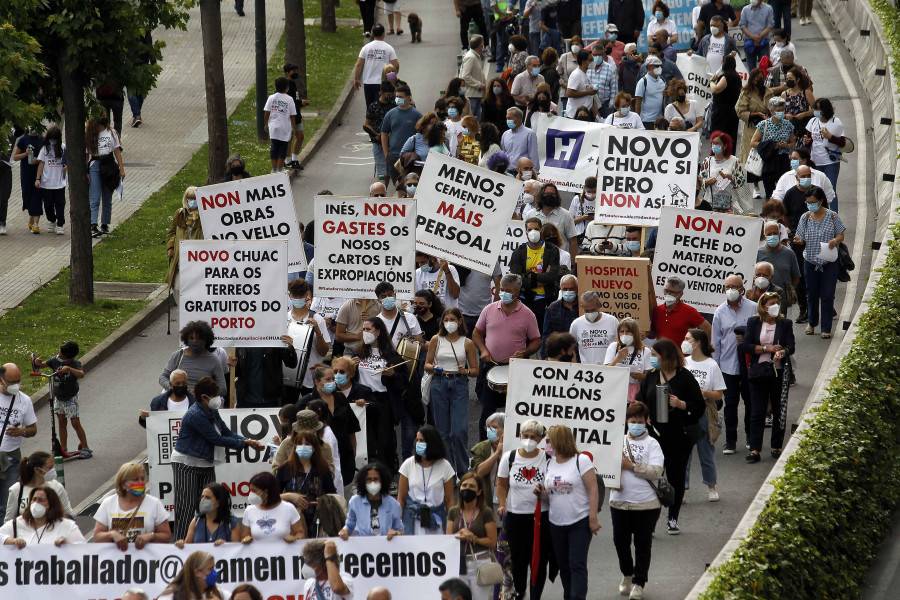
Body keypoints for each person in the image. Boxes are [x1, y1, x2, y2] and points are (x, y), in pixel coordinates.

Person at [170, 376, 264, 540]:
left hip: (206, 463)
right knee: (186, 508)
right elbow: (216, 439)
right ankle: (182, 546)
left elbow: (226, 432)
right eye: (213, 395)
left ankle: (206, 541)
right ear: (204, 397)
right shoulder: (195, 415)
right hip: (186, 463)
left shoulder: (211, 410)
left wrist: (246, 440)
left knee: (209, 506)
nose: (217, 399)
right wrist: (245, 443)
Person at [635, 339, 704, 535]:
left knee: (675, 477)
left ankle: (673, 517)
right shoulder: (652, 376)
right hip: (655, 436)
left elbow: (698, 405)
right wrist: (644, 413)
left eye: (656, 355)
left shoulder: (685, 377)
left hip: (678, 437)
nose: (653, 359)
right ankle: (651, 519)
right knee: (653, 476)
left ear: (666, 356)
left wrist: (682, 405)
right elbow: (641, 398)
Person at [536, 425, 600, 600]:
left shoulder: (581, 461)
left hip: (579, 520)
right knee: (563, 566)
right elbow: (551, 496)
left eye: (549, 441)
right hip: (556, 523)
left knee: (576, 564)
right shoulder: (549, 463)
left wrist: (593, 517)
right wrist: (541, 493)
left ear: (560, 441)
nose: (547, 445)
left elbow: (593, 489)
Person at [474, 274, 541, 437]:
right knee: (487, 411)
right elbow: (476, 333)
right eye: (501, 290)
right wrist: (483, 350)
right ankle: (484, 446)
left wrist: (525, 352)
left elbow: (536, 341)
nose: (503, 293)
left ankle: (513, 444)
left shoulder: (528, 315)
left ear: (517, 292)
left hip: (516, 370)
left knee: (516, 411)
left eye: (508, 291)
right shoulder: (489, 309)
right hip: (491, 367)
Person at [610, 401, 665, 600]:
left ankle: (639, 582)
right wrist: (611, 482)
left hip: (646, 504)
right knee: (620, 542)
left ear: (646, 422)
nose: (635, 425)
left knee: (643, 544)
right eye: (632, 421)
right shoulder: (617, 441)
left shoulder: (653, 444)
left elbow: (657, 472)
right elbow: (605, 469)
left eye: (639, 421)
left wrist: (631, 466)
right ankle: (627, 574)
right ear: (626, 421)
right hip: (619, 503)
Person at [496, 418, 550, 600]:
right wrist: (502, 504)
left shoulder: (547, 459)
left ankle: (535, 596)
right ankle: (520, 592)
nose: (528, 440)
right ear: (520, 436)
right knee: (518, 560)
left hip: (540, 518)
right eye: (525, 436)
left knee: (539, 561)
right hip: (515, 516)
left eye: (533, 437)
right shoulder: (509, 458)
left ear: (541, 439)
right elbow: (502, 485)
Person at [425, 308, 479, 476]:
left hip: (459, 384)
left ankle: (463, 471)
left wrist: (467, 372)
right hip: (439, 383)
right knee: (442, 431)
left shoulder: (467, 342)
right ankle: (448, 472)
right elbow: (426, 364)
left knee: (458, 431)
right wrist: (434, 367)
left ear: (460, 321)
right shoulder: (436, 339)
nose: (449, 323)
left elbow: (476, 370)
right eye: (446, 319)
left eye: (452, 319)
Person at [742, 292, 795, 462]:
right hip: (759, 371)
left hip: (778, 373)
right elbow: (747, 346)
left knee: (778, 410)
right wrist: (767, 349)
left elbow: (791, 346)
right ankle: (755, 449)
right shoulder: (754, 322)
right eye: (772, 303)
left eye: (777, 303)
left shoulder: (785, 323)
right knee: (757, 411)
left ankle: (776, 446)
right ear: (763, 306)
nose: (775, 306)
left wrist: (782, 351)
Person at [354, 317, 411, 468]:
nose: (364, 332)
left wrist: (393, 374)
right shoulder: (359, 353)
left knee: (385, 440)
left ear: (378, 332)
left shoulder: (391, 355)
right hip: (363, 400)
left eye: (368, 329)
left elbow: (404, 383)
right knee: (366, 440)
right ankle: (366, 476)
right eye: (363, 329)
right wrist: (350, 368)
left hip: (384, 401)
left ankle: (386, 475)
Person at [793, 186, 845, 338]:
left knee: (828, 295)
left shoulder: (832, 216)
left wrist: (835, 240)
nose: (811, 205)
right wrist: (799, 240)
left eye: (813, 202)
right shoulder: (806, 217)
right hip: (810, 261)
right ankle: (812, 322)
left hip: (829, 262)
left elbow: (841, 234)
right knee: (812, 294)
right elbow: (800, 236)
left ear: (821, 201)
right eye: (808, 202)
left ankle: (826, 327)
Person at [682, 328, 726, 502]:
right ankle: (682, 489)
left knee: (705, 451)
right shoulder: (684, 363)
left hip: (703, 414)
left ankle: (711, 486)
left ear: (697, 343)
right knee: (684, 454)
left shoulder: (711, 365)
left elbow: (719, 394)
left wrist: (704, 392)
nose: (684, 341)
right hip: (685, 413)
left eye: (688, 338)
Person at [297, 366, 360, 486]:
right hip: (319, 458)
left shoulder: (340, 397)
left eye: (333, 379)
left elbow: (352, 427)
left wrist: (353, 451)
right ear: (317, 381)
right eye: (328, 379)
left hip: (344, 456)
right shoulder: (307, 402)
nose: (332, 382)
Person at [94, 462, 171, 549]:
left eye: (142, 479)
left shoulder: (154, 503)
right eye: (135, 479)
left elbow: (166, 536)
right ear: (123, 484)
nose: (140, 482)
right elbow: (97, 536)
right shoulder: (108, 503)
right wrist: (112, 534)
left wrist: (151, 536)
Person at [447, 473, 498, 600]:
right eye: (464, 485)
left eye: (471, 486)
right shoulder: (453, 512)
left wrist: (474, 538)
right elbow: (447, 539)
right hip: (459, 563)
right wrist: (460, 535)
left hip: (480, 563)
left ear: (479, 491)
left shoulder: (486, 512)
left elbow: (492, 542)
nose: (466, 488)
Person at [275, 428, 336, 533]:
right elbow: (273, 497)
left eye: (307, 444)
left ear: (314, 448)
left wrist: (321, 502)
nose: (303, 446)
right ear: (295, 447)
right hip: (290, 521)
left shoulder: (322, 469)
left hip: (317, 521)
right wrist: (289, 496)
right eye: (300, 443)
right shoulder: (284, 468)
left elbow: (333, 495)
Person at [32, 341, 89, 455]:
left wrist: (70, 369)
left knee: (75, 423)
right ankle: (64, 448)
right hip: (58, 397)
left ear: (69, 358)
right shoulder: (55, 360)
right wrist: (38, 362)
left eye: (61, 354)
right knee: (61, 422)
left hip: (70, 397)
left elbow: (81, 374)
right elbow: (43, 365)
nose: (59, 355)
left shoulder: (75, 363)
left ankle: (86, 447)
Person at [398, 425, 456, 534]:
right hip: (413, 521)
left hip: (437, 520)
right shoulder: (408, 464)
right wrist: (398, 523)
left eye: (422, 440)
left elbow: (449, 500)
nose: (418, 443)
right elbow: (401, 498)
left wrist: (451, 524)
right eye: (417, 440)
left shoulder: (445, 466)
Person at [509, 216, 562, 332]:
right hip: (524, 299)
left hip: (544, 299)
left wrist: (528, 276)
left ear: (541, 230)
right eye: (530, 229)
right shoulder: (519, 252)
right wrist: (541, 279)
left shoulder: (552, 250)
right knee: (525, 333)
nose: (533, 232)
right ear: (526, 231)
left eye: (536, 229)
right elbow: (517, 280)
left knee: (543, 332)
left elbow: (552, 276)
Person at [0, 363, 37, 524]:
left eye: (18, 381)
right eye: (11, 382)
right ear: (1, 380)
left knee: (7, 504)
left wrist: (21, 431)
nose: (15, 385)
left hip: (11, 459)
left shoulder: (24, 401)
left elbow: (33, 429)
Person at [0, 486, 84, 546]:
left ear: (51, 504)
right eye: (34, 499)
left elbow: (82, 549)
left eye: (41, 500)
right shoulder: (17, 523)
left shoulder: (67, 525)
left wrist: (67, 545)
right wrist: (12, 541)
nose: (36, 503)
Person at [340, 461, 403, 538]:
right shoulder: (355, 502)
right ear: (363, 481)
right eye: (369, 479)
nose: (372, 482)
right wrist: (344, 532)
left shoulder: (393, 504)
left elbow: (400, 530)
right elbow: (349, 526)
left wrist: (396, 533)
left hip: (386, 547)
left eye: (376, 479)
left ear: (383, 481)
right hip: (361, 547)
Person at [84, 115, 124, 237]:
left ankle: (105, 223)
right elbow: (86, 155)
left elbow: (117, 151)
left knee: (107, 196)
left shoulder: (112, 133)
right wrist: (86, 172)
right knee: (95, 196)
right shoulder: (89, 134)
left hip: (109, 164)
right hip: (96, 164)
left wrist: (121, 168)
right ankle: (93, 224)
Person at [4, 451, 72, 523]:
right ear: (37, 470)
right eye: (50, 467)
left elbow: (68, 514)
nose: (53, 470)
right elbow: (9, 521)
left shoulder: (56, 487)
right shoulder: (16, 490)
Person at [159, 321, 226, 392]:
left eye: (198, 338)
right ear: (186, 339)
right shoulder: (178, 355)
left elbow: (222, 388)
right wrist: (173, 388)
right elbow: (163, 377)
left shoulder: (214, 361)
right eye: (191, 338)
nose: (195, 341)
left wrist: (201, 392)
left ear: (205, 340)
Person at [804, 98, 845, 212]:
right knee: (817, 190)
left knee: (830, 190)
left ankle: (834, 216)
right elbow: (809, 140)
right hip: (816, 161)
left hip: (830, 162)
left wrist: (830, 137)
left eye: (818, 109)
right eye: (815, 109)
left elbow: (843, 142)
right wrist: (807, 141)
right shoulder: (813, 122)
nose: (816, 111)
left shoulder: (835, 122)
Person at [751, 96, 796, 199]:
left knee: (784, 192)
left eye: (782, 110)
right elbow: (753, 142)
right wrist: (772, 146)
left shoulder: (788, 125)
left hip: (783, 160)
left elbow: (793, 142)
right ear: (771, 111)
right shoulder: (763, 124)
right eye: (778, 110)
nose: (780, 113)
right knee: (769, 193)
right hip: (769, 160)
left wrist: (787, 145)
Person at [241, 471, 305, 543]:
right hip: (259, 554)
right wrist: (246, 539)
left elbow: (300, 533)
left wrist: (294, 538)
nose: (251, 494)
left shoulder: (288, 508)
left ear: (266, 492)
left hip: (283, 553)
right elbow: (245, 536)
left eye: (254, 491)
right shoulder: (249, 511)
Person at [381, 85, 423, 191]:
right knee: (398, 186)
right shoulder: (390, 114)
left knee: (410, 186)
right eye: (397, 96)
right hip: (393, 156)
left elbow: (422, 135)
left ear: (409, 98)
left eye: (401, 96)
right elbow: (384, 134)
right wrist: (386, 154)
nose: (398, 98)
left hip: (410, 158)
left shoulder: (417, 115)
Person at [175, 483, 241, 546]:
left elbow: (237, 549)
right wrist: (181, 544)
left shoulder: (231, 523)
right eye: (202, 497)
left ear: (219, 502)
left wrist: (225, 545)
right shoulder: (196, 521)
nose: (203, 500)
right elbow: (187, 545)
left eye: (207, 497)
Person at [604, 318, 653, 403]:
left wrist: (641, 377)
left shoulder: (645, 350)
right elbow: (605, 372)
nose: (624, 334)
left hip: (637, 394)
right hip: (616, 392)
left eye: (628, 331)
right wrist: (618, 359)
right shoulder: (614, 347)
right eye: (622, 331)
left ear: (635, 333)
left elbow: (650, 378)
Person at [758, 222, 802, 316]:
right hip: (763, 300)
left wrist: (786, 290)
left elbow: (796, 278)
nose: (772, 236)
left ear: (780, 234)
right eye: (769, 234)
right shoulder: (758, 254)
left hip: (783, 301)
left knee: (783, 327)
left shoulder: (789, 254)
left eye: (775, 233)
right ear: (764, 236)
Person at [165, 187, 203, 296]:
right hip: (180, 256)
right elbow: (171, 232)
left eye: (195, 198)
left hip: (197, 256)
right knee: (177, 287)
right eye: (190, 198)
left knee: (195, 289)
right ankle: (182, 310)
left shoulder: (204, 215)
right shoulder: (180, 213)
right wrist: (171, 247)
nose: (192, 201)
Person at [652, 277, 711, 345]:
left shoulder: (689, 311)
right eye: (666, 291)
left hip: (681, 355)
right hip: (661, 354)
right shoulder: (657, 310)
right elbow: (653, 334)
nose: (668, 294)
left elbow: (708, 329)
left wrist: (704, 349)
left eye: (672, 292)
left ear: (680, 294)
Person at [355, 25, 400, 108]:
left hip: (368, 82)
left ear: (372, 33)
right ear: (383, 34)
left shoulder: (366, 48)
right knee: (381, 106)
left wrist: (356, 79)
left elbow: (359, 64)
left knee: (370, 106)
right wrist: (392, 78)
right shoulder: (388, 48)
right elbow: (396, 65)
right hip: (382, 82)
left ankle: (370, 120)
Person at [699, 131, 745, 213]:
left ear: (725, 146)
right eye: (713, 143)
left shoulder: (734, 161)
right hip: (710, 201)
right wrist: (707, 182)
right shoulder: (707, 161)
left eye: (718, 143)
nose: (715, 145)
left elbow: (741, 181)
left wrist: (730, 178)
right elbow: (700, 182)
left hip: (730, 202)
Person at [33, 125, 67, 235]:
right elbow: (41, 164)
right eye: (51, 139)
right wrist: (38, 179)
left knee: (60, 204)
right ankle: (52, 220)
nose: (53, 141)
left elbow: (67, 162)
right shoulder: (44, 149)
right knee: (48, 206)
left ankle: (60, 224)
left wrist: (66, 167)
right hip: (46, 183)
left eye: (54, 139)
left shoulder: (63, 148)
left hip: (59, 183)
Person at [569, 291, 619, 365]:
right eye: (587, 311)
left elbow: (620, 345)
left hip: (609, 369)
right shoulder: (576, 324)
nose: (590, 313)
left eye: (593, 310)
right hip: (587, 370)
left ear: (599, 305)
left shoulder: (612, 321)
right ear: (582, 307)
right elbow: (570, 348)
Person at [736, 69, 774, 164]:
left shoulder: (768, 92)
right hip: (751, 128)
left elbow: (775, 108)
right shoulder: (746, 93)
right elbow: (740, 111)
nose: (761, 80)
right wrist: (756, 114)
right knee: (749, 154)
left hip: (767, 128)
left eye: (762, 78)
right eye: (758, 78)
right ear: (752, 80)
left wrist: (770, 114)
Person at [469, 412, 506, 508]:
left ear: (504, 429)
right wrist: (497, 453)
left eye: (493, 427)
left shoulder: (514, 448)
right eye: (488, 427)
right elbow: (479, 472)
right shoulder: (481, 448)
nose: (489, 430)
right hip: (486, 499)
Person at [156, 551, 227, 600]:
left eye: (213, 568)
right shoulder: (172, 595)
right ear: (197, 572)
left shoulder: (220, 594)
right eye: (210, 569)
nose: (214, 573)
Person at [532, 183, 578, 257]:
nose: (550, 196)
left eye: (552, 194)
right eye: (547, 193)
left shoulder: (566, 215)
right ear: (541, 195)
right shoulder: (530, 214)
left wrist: (573, 264)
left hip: (560, 261)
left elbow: (573, 240)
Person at [12, 124, 42, 234]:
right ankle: (31, 216)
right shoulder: (23, 139)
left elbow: (45, 157)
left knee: (37, 196)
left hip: (38, 172)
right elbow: (15, 157)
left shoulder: (41, 139)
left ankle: (36, 224)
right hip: (26, 173)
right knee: (27, 195)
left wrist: (37, 160)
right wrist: (25, 154)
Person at [365, 82, 396, 184]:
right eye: (388, 95)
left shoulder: (393, 105)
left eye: (391, 95)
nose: (390, 97)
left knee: (388, 170)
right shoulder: (374, 106)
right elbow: (366, 125)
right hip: (378, 142)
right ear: (381, 93)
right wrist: (376, 135)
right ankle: (380, 190)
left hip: (391, 141)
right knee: (381, 169)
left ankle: (384, 189)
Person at [283, 63, 310, 170]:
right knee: (290, 138)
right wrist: (300, 102)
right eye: (293, 72)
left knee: (300, 136)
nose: (296, 73)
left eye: (296, 71)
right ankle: (287, 160)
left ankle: (294, 159)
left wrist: (299, 103)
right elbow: (289, 101)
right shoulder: (287, 85)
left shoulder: (293, 84)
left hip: (297, 115)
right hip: (290, 117)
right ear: (287, 73)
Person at [709, 54, 741, 144]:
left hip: (722, 113)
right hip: (732, 111)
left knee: (720, 137)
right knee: (731, 137)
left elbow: (716, 89)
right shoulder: (737, 76)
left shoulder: (727, 76)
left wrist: (711, 81)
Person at [782, 67, 815, 143]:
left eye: (790, 78)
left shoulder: (806, 92)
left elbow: (816, 109)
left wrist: (804, 114)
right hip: (790, 127)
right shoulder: (784, 94)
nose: (788, 80)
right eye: (787, 79)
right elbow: (781, 111)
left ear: (797, 79)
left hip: (803, 126)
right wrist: (786, 115)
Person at [634, 56, 667, 130]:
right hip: (646, 120)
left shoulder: (662, 81)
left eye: (660, 66)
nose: (659, 68)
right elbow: (638, 101)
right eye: (657, 66)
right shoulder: (643, 82)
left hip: (660, 120)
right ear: (649, 67)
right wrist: (637, 120)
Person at [739, 0, 774, 70]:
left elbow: (770, 25)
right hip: (749, 41)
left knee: (765, 68)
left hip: (764, 41)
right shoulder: (745, 9)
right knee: (751, 69)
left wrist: (759, 36)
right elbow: (743, 26)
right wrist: (753, 37)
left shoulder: (768, 8)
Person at [461, 36, 488, 118]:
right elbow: (465, 76)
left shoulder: (475, 56)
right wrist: (479, 85)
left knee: (476, 119)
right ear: (480, 45)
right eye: (482, 44)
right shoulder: (471, 57)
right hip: (471, 95)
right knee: (471, 119)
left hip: (477, 94)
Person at [564, 49, 595, 118]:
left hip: (584, 114)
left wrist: (594, 110)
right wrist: (589, 92)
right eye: (590, 60)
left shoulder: (585, 74)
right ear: (584, 62)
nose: (593, 62)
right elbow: (569, 93)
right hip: (575, 115)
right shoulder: (576, 75)